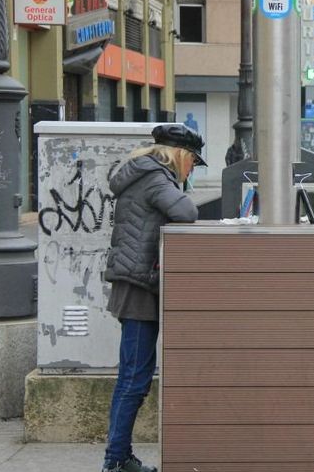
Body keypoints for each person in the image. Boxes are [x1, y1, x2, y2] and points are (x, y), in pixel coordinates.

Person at [101, 124, 205, 472]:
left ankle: (118, 457)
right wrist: (183, 188)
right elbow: (186, 213)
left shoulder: (144, 173)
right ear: (181, 155)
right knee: (134, 378)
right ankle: (115, 461)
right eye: (193, 161)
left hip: (137, 282)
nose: (191, 169)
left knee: (134, 376)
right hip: (139, 287)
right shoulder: (156, 177)